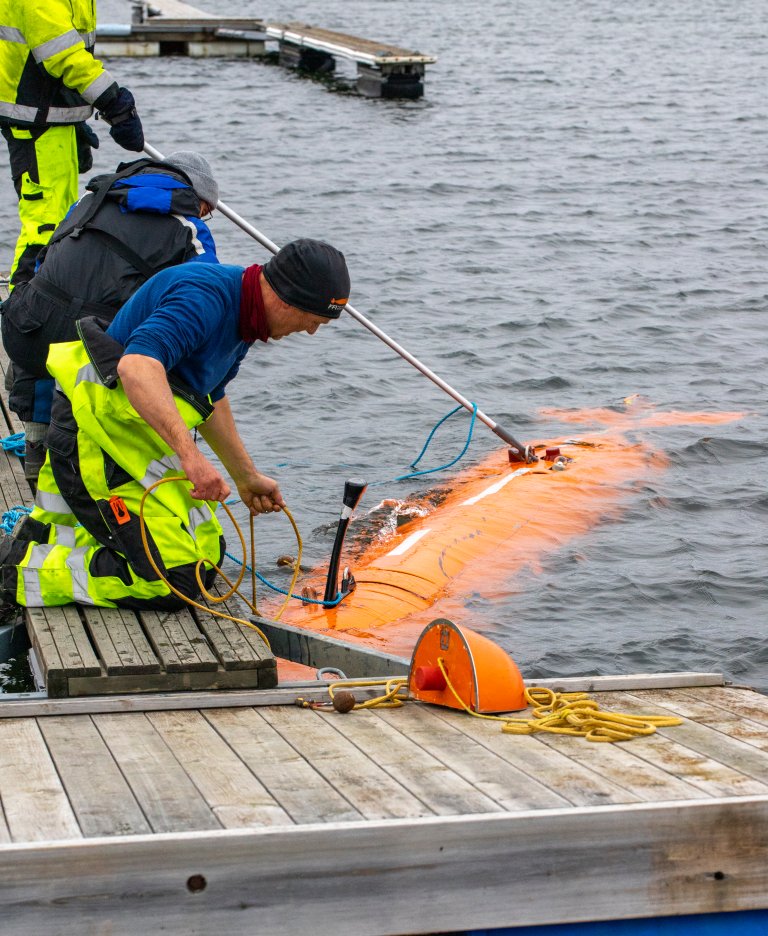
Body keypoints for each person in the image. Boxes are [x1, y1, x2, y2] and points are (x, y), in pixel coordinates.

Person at [0, 238, 351, 611]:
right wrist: (192, 458)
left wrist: (245, 476)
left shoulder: (246, 311)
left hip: (131, 440)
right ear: (285, 298)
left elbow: (210, 397)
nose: (311, 331)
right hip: (93, 441)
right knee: (173, 582)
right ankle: (15, 575)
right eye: (313, 321)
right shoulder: (203, 298)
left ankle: (28, 550)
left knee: (206, 562)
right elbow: (136, 367)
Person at [1, 150, 220, 483]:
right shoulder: (189, 227)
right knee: (154, 347)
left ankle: (36, 447)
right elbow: (210, 299)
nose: (205, 217)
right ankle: (98, 461)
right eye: (208, 211)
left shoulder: (91, 199)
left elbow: (45, 263)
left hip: (23, 331)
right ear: (198, 199)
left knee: (49, 312)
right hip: (86, 351)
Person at [0, 0, 144, 288]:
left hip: (51, 116)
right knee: (45, 226)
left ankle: (40, 307)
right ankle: (21, 312)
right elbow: (63, 54)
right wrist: (113, 101)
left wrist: (74, 116)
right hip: (35, 120)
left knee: (62, 221)